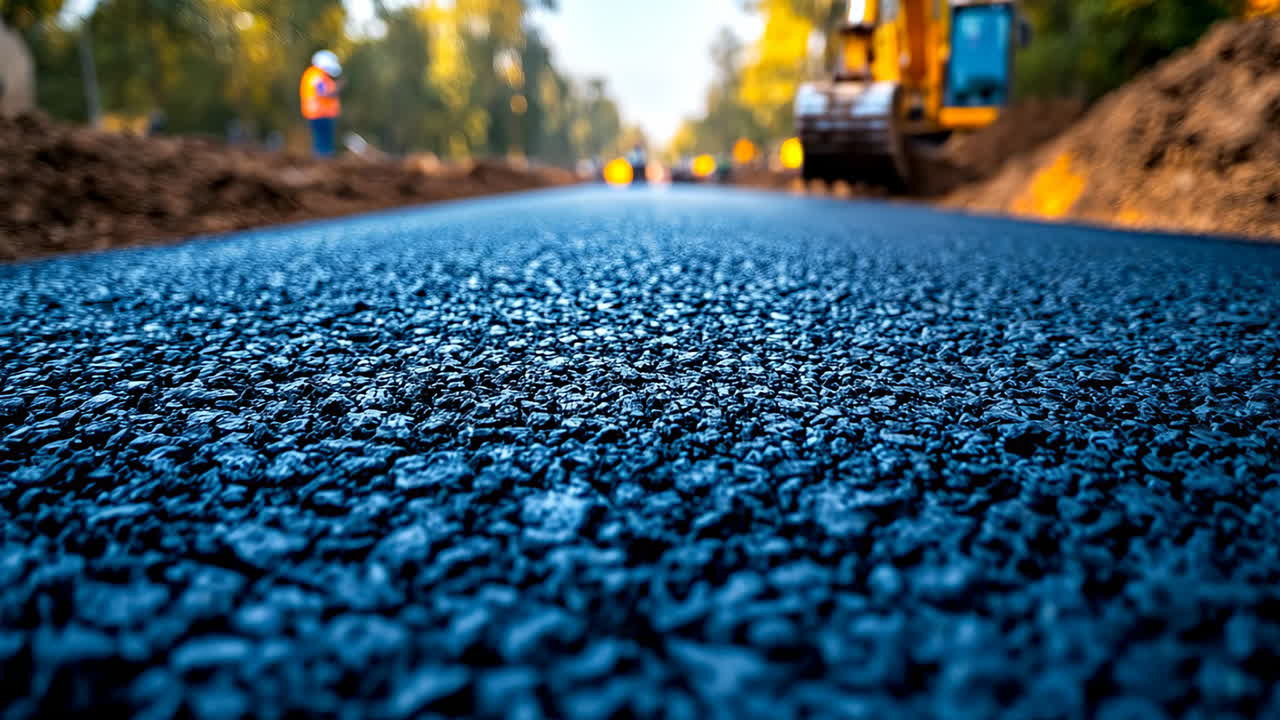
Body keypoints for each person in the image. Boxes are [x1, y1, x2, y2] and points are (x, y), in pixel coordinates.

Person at [300, 50, 343, 157]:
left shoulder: (315, 75)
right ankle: (323, 162)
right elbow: (322, 92)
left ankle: (323, 160)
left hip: (319, 113)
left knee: (322, 142)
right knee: (323, 143)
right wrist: (337, 88)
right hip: (320, 114)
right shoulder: (317, 75)